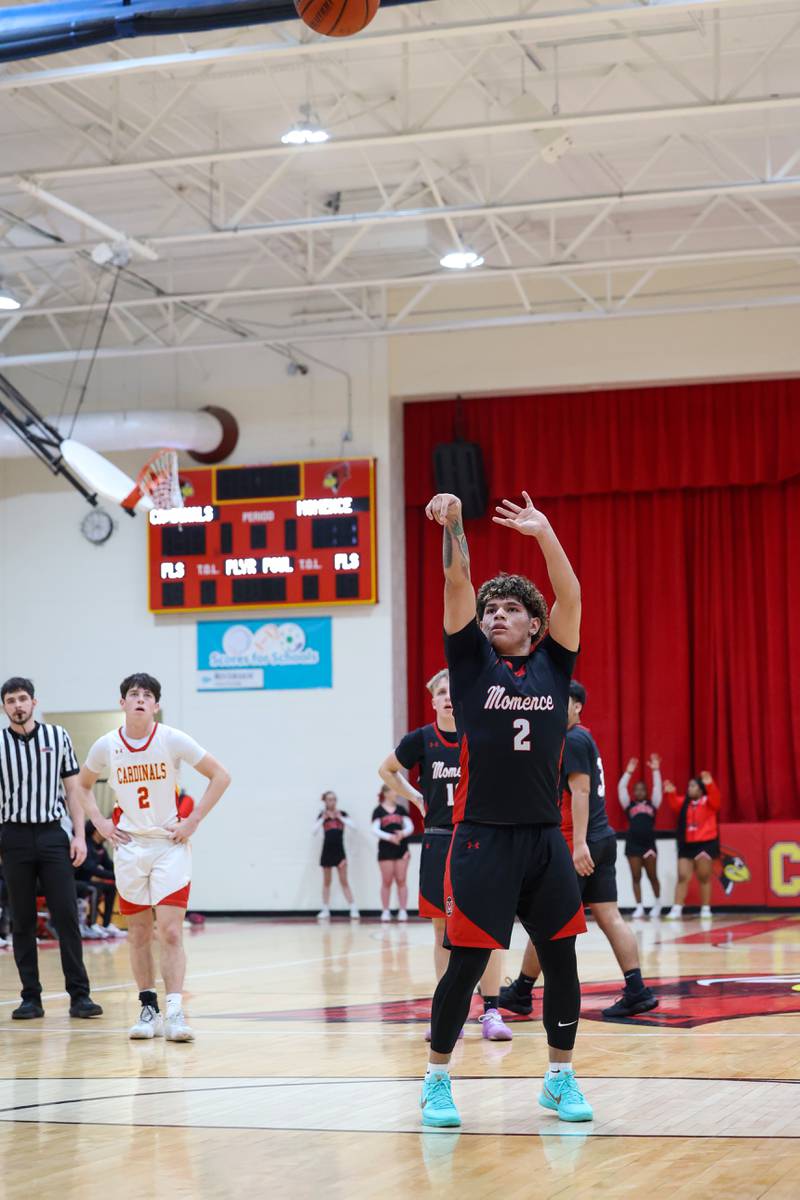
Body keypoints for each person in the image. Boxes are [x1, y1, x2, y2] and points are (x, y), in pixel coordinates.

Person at [419, 489, 592, 1130]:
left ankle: (559, 1078)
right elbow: (455, 578)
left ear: (534, 625)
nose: (495, 615)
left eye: (511, 608)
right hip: (481, 837)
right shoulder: (469, 668)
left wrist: (544, 533)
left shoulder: (554, 662)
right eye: (491, 608)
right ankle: (437, 1079)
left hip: (543, 837)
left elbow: (571, 596)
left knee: (563, 956)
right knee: (466, 962)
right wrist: (458, 523)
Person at [76, 672, 230, 1041]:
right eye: (133, 694)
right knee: (139, 933)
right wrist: (99, 821)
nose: (140, 699)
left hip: (168, 845)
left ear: (156, 705)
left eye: (147, 695)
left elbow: (220, 776)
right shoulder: (106, 745)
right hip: (129, 846)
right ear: (123, 703)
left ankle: (175, 1010)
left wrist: (192, 821)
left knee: (172, 931)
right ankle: (148, 1008)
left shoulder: (171, 738)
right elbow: (81, 786)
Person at [501, 681, 658, 1022]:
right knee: (609, 915)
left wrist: (579, 844)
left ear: (576, 707)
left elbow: (581, 791)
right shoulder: (583, 737)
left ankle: (523, 991)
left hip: (580, 841)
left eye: (565, 702)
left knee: (547, 920)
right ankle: (637, 990)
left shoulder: (571, 739)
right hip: (602, 838)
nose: (558, 707)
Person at [378, 668, 512, 1041]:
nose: (448, 697)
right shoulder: (421, 739)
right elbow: (386, 769)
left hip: (480, 840)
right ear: (433, 699)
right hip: (438, 840)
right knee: (442, 930)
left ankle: (492, 1012)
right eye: (441, 692)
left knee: (489, 931)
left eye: (454, 690)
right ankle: (448, 1011)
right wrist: (416, 797)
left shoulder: (480, 735)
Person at [0, 676, 103, 1020]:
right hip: (13, 836)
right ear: (4, 707)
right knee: (23, 919)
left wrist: (78, 835)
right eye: (11, 700)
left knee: (66, 915)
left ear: (34, 702)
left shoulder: (57, 737)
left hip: (51, 835)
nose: (17, 705)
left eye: (22, 699)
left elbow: (74, 790)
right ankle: (31, 997)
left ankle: (80, 996)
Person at [664, 770, 721, 919]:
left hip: (705, 844)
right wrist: (671, 793)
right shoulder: (685, 803)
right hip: (687, 844)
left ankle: (705, 908)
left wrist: (710, 783)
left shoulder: (709, 802)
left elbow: (716, 798)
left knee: (704, 877)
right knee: (682, 875)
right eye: (689, 786)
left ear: (701, 790)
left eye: (693, 786)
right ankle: (676, 908)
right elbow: (674, 804)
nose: (690, 789)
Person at [618, 754, 662, 918]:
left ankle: (657, 904)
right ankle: (639, 906)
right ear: (634, 792)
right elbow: (621, 788)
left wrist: (656, 770)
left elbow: (658, 788)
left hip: (649, 844)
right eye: (636, 790)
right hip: (633, 844)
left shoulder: (653, 804)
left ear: (646, 791)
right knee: (636, 876)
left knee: (652, 876)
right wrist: (628, 773)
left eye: (642, 789)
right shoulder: (628, 805)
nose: (639, 792)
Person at [75, 820, 126, 937]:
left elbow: (109, 865)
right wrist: (115, 875)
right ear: (96, 830)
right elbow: (91, 869)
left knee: (111, 888)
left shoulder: (100, 848)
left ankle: (106, 925)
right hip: (78, 880)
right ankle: (91, 925)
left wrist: (123, 871)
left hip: (88, 881)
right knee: (95, 889)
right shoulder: (86, 845)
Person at [314, 790, 359, 920]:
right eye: (329, 799)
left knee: (344, 881)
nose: (331, 801)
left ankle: (353, 908)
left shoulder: (342, 814)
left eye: (334, 799)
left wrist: (340, 817)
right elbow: (313, 831)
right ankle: (325, 909)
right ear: (325, 801)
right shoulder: (322, 816)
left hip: (340, 851)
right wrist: (322, 818)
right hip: (327, 851)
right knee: (326, 881)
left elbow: (354, 827)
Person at [371, 784, 414, 921]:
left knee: (401, 880)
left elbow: (410, 827)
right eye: (394, 791)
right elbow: (374, 829)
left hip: (401, 848)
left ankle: (403, 910)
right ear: (386, 793)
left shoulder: (401, 809)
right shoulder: (378, 810)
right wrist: (390, 837)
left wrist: (402, 834)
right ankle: (385, 911)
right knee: (387, 881)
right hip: (386, 849)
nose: (396, 794)